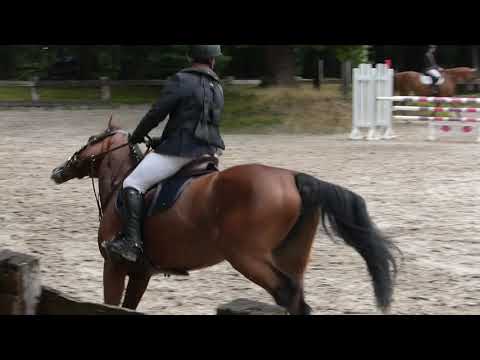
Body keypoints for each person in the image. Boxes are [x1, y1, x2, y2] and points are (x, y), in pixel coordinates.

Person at [105, 45, 226, 264]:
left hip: (182, 153)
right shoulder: (217, 86)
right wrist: (164, 140)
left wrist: (137, 136)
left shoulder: (181, 80)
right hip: (209, 153)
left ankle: (131, 243)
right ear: (212, 60)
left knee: (132, 183)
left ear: (191, 57)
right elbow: (197, 123)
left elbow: (157, 114)